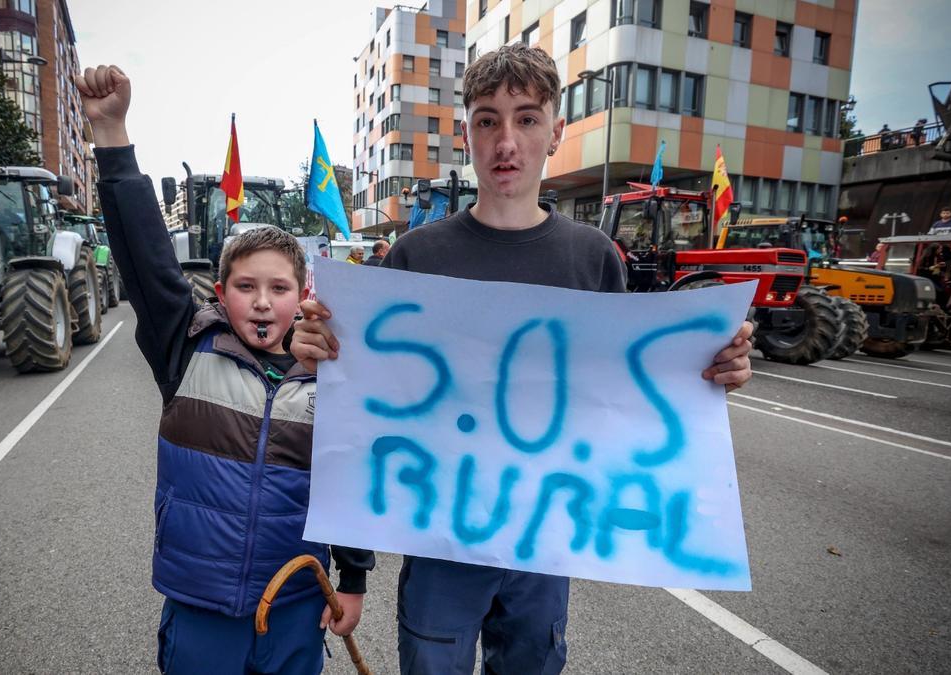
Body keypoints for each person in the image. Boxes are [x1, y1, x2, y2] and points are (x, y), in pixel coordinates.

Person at [291, 43, 754, 675]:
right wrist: (318, 355)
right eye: (487, 120)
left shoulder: (593, 258)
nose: (506, 140)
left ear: (556, 132)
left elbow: (621, 390)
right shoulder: (414, 258)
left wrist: (709, 369)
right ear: (467, 135)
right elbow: (368, 417)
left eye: (527, 118)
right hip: (439, 542)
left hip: (545, 542)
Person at [75, 64, 373, 675]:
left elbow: (351, 484)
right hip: (200, 607)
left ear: (302, 294)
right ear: (220, 292)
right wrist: (112, 134)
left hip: (294, 606)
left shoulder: (334, 372)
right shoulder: (184, 346)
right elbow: (145, 257)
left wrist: (353, 581)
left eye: (278, 287)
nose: (262, 301)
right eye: (245, 286)